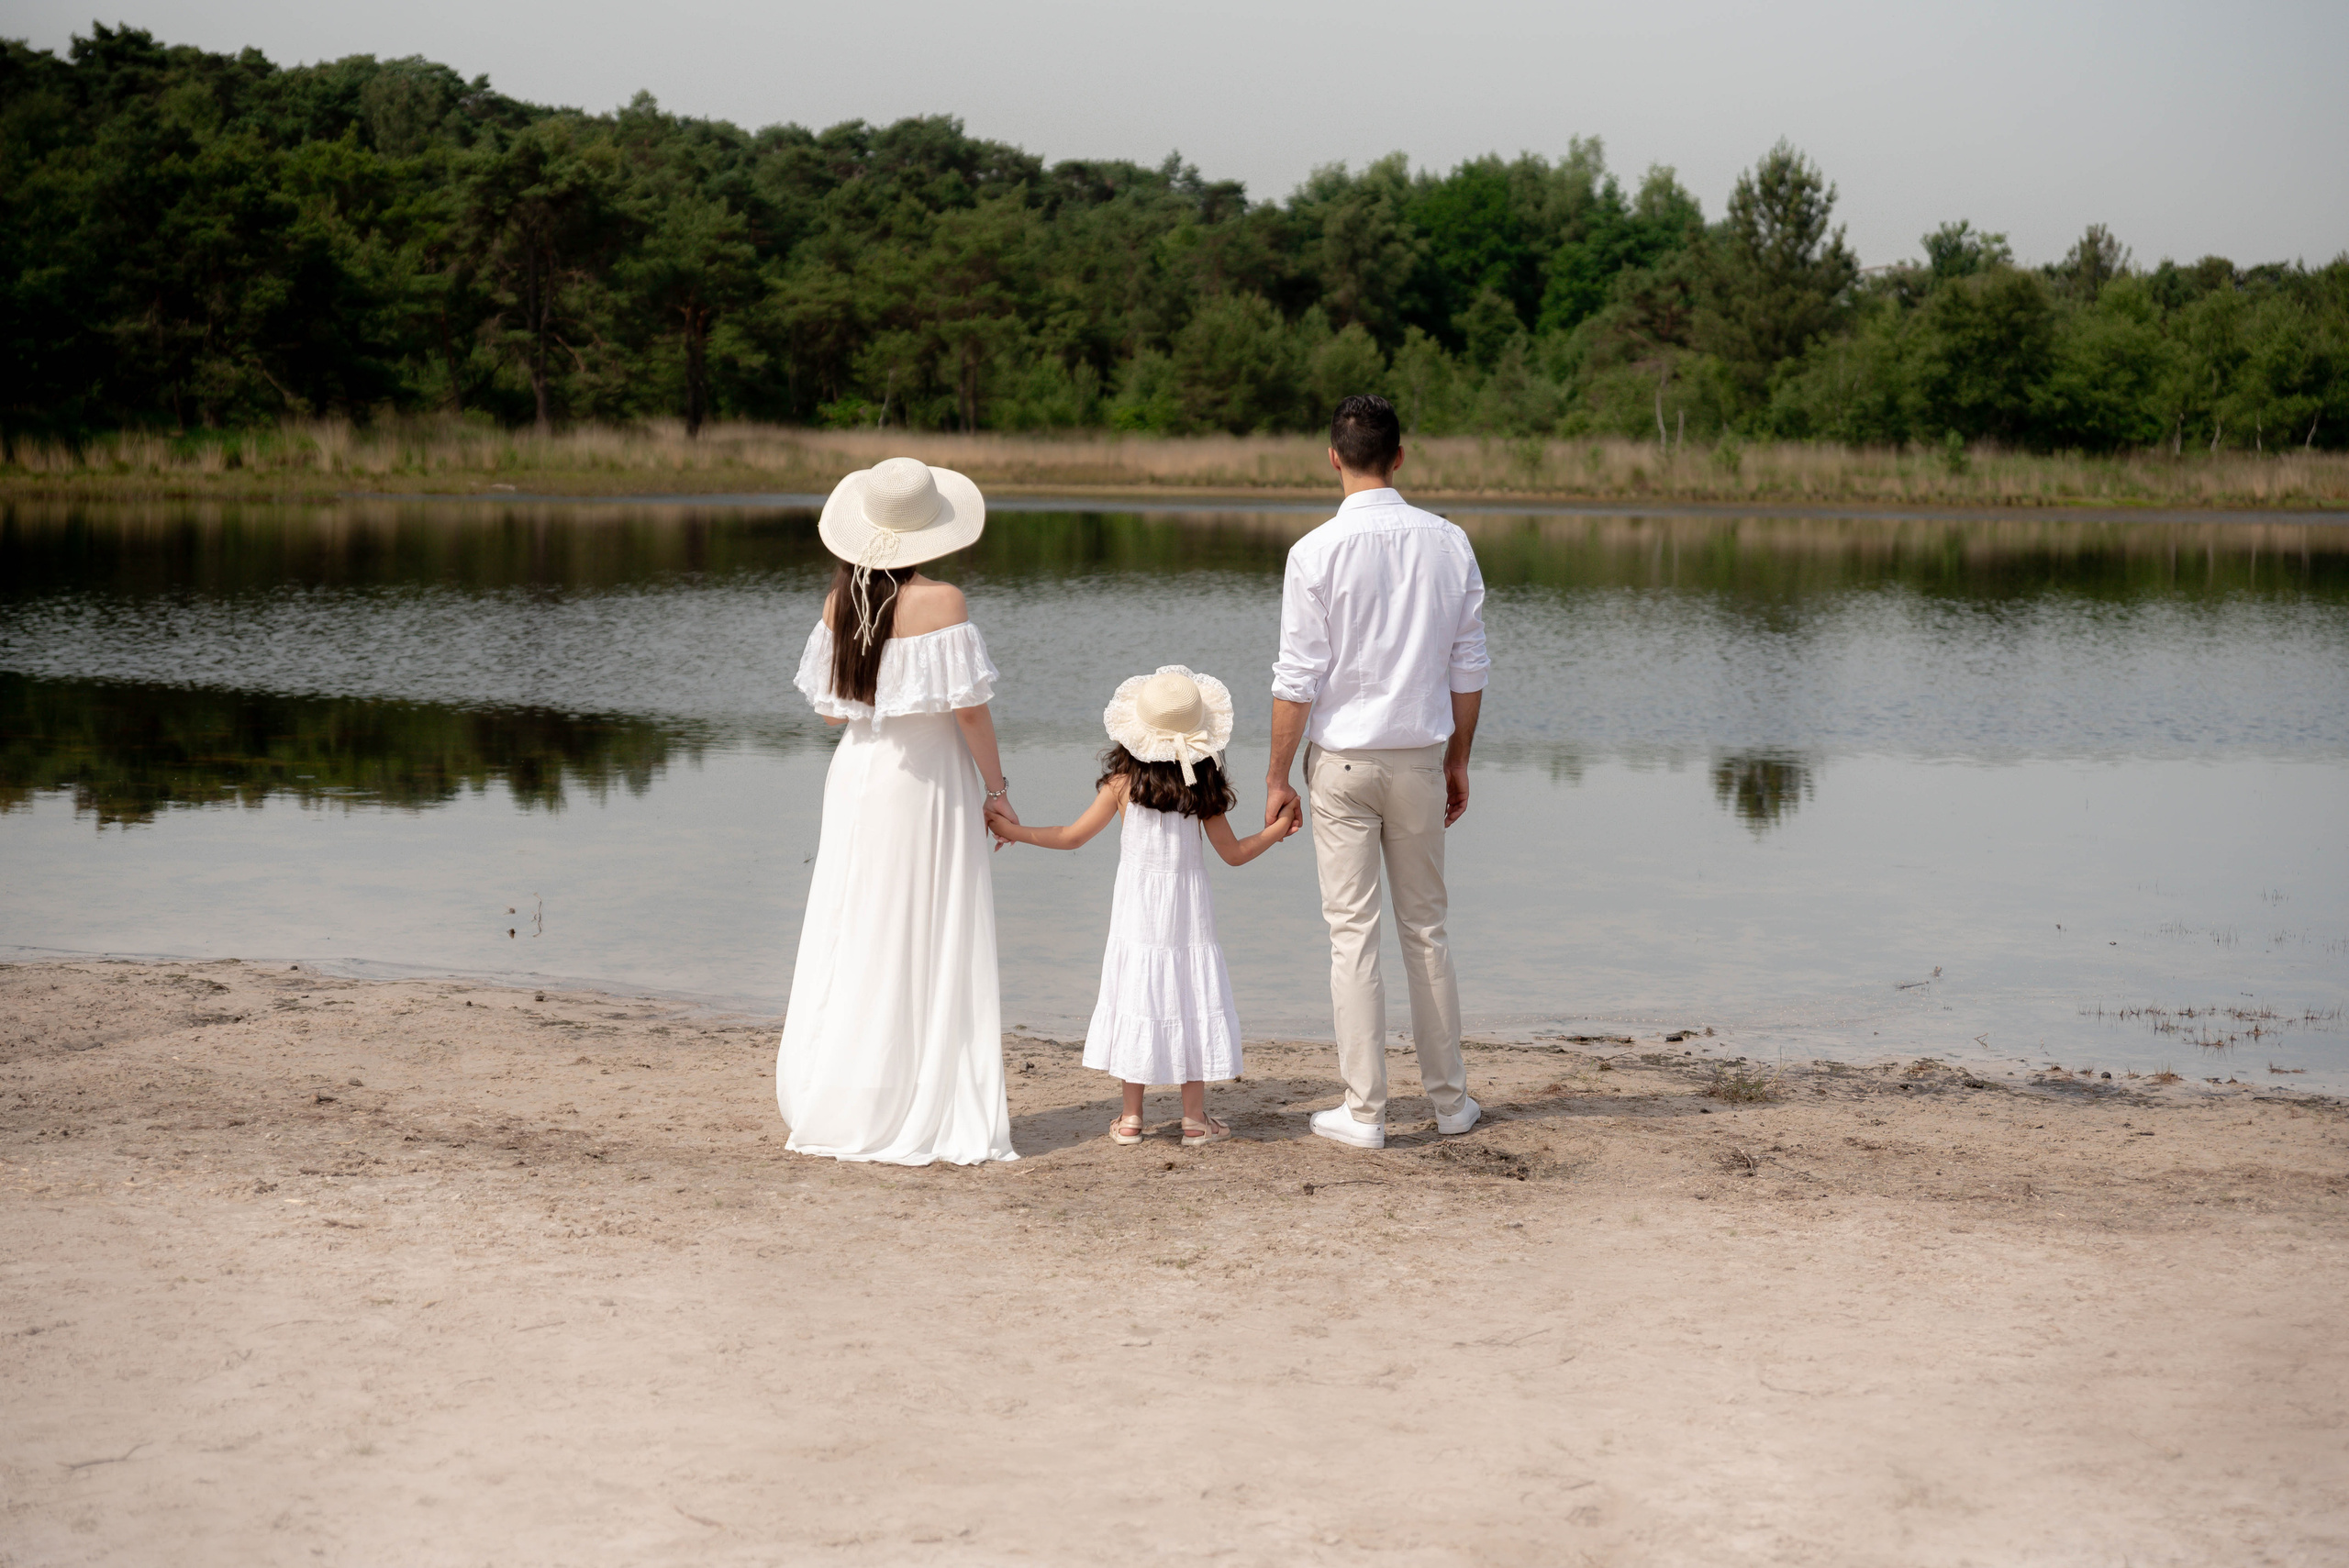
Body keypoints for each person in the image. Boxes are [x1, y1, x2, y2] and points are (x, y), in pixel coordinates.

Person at [775, 456, 1021, 1165]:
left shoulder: (838, 604)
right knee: (925, 925)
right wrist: (998, 789)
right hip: (927, 780)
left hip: (859, 773)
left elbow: (832, 715)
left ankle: (845, 1090)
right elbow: (969, 712)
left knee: (856, 923)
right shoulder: (943, 602)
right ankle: (915, 1092)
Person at [1265, 395, 1490, 1151]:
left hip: (1343, 762)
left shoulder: (1314, 552)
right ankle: (1452, 1102)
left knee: (1351, 936)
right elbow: (1469, 663)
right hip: (1421, 757)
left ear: (1333, 456)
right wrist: (1459, 756)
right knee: (1426, 928)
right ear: (1399, 456)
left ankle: (1365, 1113)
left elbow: (1297, 678)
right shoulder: (1450, 542)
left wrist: (1276, 776)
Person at [987, 666, 1299, 1147]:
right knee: (1189, 994)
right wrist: (1279, 828)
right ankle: (1194, 1118)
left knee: (1139, 993)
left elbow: (1071, 839)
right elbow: (1235, 855)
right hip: (1188, 914)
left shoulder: (1121, 785)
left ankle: (1131, 1118)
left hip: (1137, 915)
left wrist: (1012, 832)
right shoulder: (1203, 787)